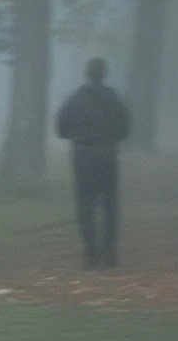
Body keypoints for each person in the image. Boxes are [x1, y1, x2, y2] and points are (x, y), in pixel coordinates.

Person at [54, 57, 131, 268]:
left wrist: (78, 135)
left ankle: (90, 254)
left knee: (85, 205)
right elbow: (125, 128)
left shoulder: (75, 99)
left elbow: (60, 129)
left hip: (83, 155)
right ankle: (110, 252)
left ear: (87, 74)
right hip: (107, 154)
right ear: (104, 74)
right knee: (109, 205)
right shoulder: (114, 98)